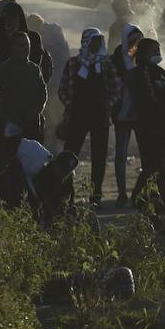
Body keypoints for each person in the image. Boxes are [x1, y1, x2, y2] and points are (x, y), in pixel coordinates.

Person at [59, 29, 121, 207]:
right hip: (77, 115)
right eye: (94, 41)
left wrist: (108, 104)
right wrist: (69, 103)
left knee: (99, 157)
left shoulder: (106, 64)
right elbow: (63, 88)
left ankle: (96, 196)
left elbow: (116, 88)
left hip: (100, 116)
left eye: (99, 41)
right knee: (69, 155)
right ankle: (65, 194)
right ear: (86, 42)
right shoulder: (73, 63)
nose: (97, 45)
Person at [125, 37, 165, 204]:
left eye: (158, 51)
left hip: (159, 123)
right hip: (148, 124)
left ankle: (151, 197)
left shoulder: (157, 70)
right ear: (145, 54)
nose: (158, 54)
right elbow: (149, 98)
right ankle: (138, 197)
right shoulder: (142, 72)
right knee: (151, 164)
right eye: (154, 51)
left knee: (157, 163)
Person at [0, 31, 48, 169]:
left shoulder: (34, 69)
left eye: (27, 45)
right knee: (9, 162)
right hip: (10, 124)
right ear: (13, 47)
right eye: (21, 45)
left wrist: (35, 111)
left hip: (31, 124)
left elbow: (42, 94)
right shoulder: (4, 69)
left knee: (31, 162)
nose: (26, 48)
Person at [109, 24, 143, 206]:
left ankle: (141, 192)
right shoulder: (116, 60)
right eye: (132, 40)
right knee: (121, 153)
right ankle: (122, 192)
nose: (135, 44)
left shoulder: (142, 58)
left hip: (139, 112)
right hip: (122, 112)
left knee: (145, 152)